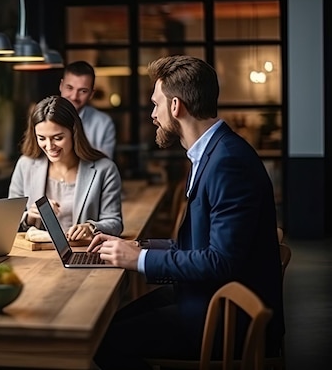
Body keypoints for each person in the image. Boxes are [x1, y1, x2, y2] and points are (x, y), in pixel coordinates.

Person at [87, 55, 284, 369]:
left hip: (224, 317)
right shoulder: (214, 152)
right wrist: (138, 248)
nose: (153, 114)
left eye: (156, 104)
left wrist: (136, 260)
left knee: (99, 340)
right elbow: (203, 247)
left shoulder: (227, 163)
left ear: (176, 106)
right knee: (102, 327)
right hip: (204, 297)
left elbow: (220, 261)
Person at [9, 95, 123, 239]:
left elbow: (115, 223)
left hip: (83, 254)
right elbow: (9, 221)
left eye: (58, 138)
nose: (50, 147)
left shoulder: (105, 170)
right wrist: (29, 217)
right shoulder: (25, 165)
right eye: (42, 138)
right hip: (36, 254)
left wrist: (90, 227)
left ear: (74, 133)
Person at [59, 60, 117, 159]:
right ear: (61, 86)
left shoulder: (103, 123)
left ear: (91, 94)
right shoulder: (45, 118)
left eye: (83, 91)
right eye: (69, 88)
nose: (74, 96)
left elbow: (105, 165)